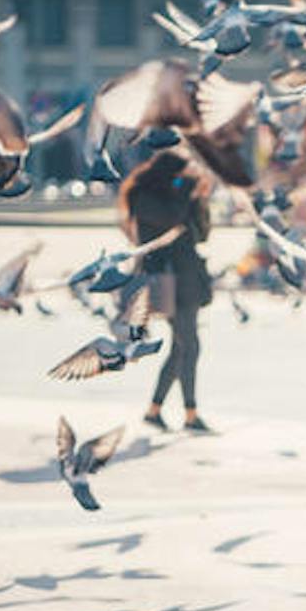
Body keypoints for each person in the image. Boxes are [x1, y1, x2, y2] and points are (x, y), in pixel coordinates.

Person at [118, 149, 216, 434]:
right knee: (189, 345)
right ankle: (190, 413)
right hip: (165, 279)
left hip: (188, 278)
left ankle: (155, 410)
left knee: (181, 347)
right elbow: (171, 218)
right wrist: (188, 189)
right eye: (182, 174)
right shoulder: (146, 198)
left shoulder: (180, 194)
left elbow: (202, 232)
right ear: (169, 174)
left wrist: (200, 199)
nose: (186, 178)